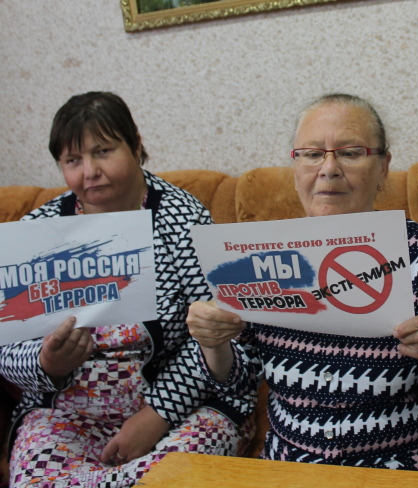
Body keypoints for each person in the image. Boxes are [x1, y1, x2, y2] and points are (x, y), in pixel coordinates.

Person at [187, 93, 418, 472]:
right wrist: (213, 342)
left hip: (412, 466)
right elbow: (236, 385)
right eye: (312, 154)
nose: (328, 168)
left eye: (351, 153)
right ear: (295, 167)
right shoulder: (258, 256)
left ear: (383, 167)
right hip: (293, 466)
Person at [0, 92, 254, 488]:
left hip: (178, 411)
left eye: (103, 151)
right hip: (66, 416)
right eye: (73, 160)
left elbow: (217, 332)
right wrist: (47, 362)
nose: (90, 172)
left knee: (173, 477)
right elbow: (7, 346)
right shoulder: (38, 232)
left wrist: (156, 415)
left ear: (135, 145)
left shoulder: (182, 218)